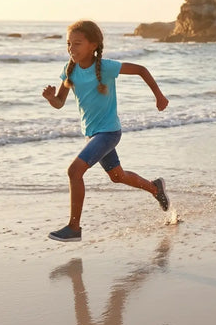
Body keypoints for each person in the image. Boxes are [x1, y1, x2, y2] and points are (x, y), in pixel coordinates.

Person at [42, 20, 170, 242]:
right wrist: (51, 98)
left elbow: (141, 70)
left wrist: (159, 96)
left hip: (109, 133)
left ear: (93, 45)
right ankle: (155, 188)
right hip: (94, 134)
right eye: (69, 44)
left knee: (74, 171)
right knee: (117, 176)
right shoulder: (69, 70)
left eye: (77, 43)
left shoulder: (107, 67)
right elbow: (60, 103)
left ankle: (74, 227)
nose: (72, 48)